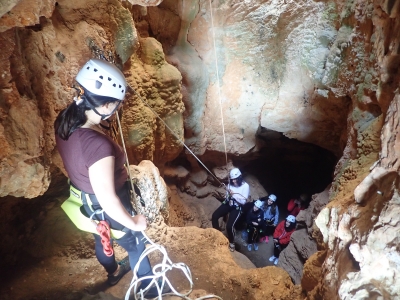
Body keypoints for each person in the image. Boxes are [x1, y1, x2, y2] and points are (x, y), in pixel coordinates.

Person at [55, 59, 164, 297]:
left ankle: (113, 272)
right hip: (106, 207)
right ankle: (150, 290)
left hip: (83, 199)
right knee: (135, 243)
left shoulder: (64, 120)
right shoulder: (98, 146)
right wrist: (134, 222)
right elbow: (108, 199)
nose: (116, 109)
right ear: (105, 106)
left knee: (100, 235)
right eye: (115, 104)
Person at [212, 168, 250, 252]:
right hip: (229, 203)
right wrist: (228, 195)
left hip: (237, 207)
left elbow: (243, 201)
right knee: (215, 216)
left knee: (229, 226)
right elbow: (227, 195)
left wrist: (233, 195)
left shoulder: (245, 186)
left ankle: (232, 243)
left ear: (240, 178)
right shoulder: (230, 184)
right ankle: (217, 235)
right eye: (232, 180)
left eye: (236, 180)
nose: (234, 182)